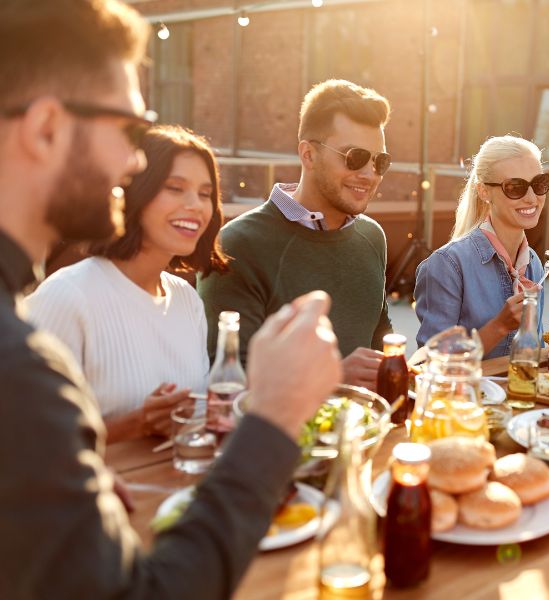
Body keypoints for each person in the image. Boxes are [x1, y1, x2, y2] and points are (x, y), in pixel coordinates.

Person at [0, 1, 341, 597]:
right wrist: (274, 416)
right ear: (47, 127)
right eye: (129, 131)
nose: (133, 160)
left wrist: (72, 488)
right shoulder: (21, 364)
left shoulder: (182, 297)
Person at [27, 125, 229, 443]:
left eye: (205, 194)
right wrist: (136, 424)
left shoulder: (187, 299)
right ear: (136, 192)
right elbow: (24, 445)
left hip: (175, 489)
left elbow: (196, 419)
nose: (196, 205)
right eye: (175, 188)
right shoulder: (66, 296)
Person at [198, 79, 392, 390]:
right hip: (277, 437)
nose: (369, 174)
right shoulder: (237, 244)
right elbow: (228, 382)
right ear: (308, 155)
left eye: (379, 161)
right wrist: (333, 378)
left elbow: (378, 335)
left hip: (360, 432)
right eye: (354, 157)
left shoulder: (372, 237)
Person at [414, 135, 546, 358]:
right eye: (515, 187)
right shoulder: (447, 265)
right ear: (484, 191)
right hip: (471, 393)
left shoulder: (534, 264)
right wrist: (499, 327)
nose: (532, 198)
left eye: (539, 184)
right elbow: (431, 364)